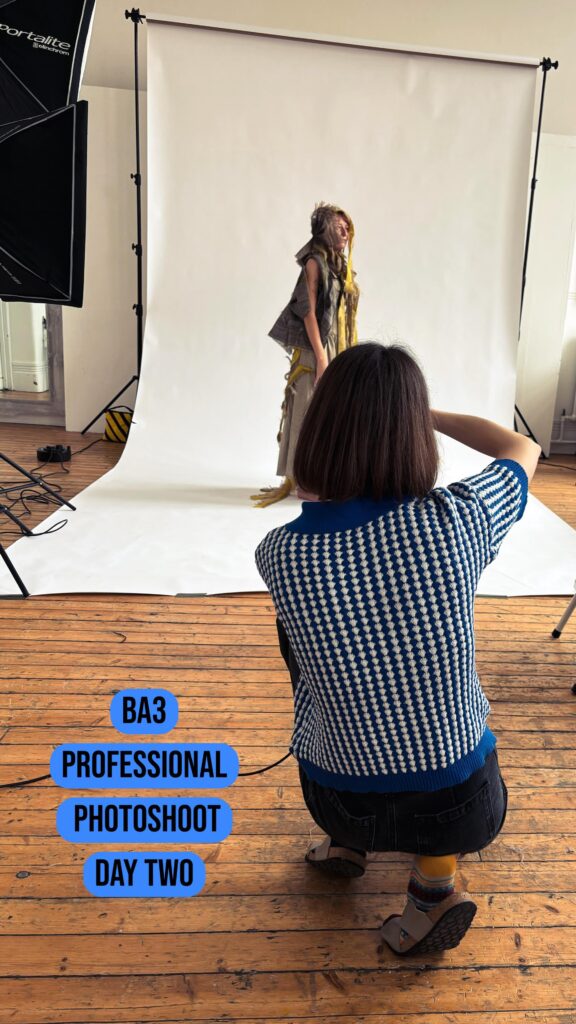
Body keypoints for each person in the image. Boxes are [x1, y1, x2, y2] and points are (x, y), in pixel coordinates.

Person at [255, 343, 540, 955]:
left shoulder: (279, 554)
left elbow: (304, 668)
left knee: (320, 661)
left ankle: (348, 846)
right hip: (459, 804)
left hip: (337, 797)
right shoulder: (456, 522)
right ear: (413, 433)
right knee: (449, 775)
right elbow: (523, 448)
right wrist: (424, 416)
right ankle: (432, 893)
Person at [252, 203, 359, 507]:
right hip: (316, 349)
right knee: (307, 408)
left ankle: (323, 474)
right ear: (325, 230)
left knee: (329, 411)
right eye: (340, 228)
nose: (346, 233)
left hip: (334, 347)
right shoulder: (315, 263)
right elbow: (307, 312)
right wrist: (321, 357)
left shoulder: (337, 266)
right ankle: (302, 477)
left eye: (347, 228)